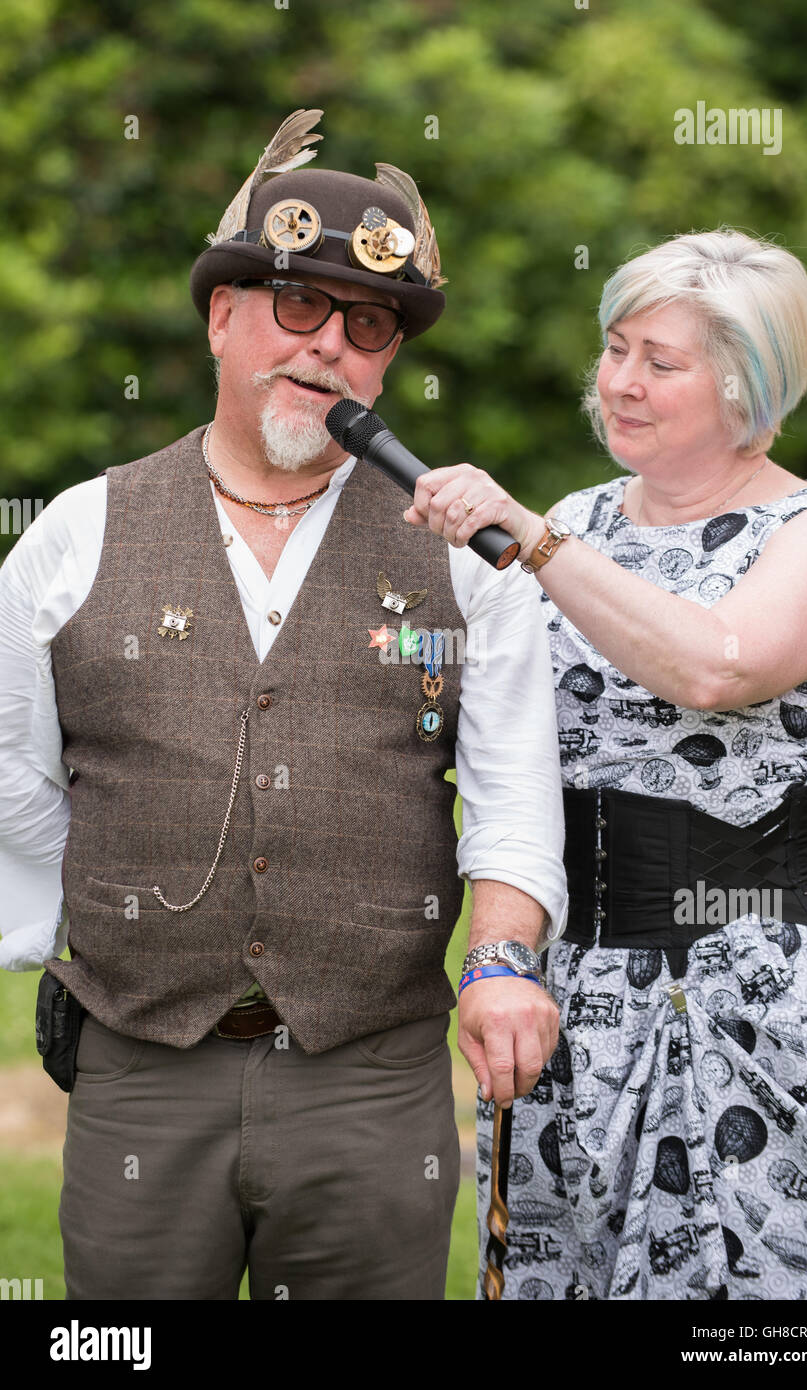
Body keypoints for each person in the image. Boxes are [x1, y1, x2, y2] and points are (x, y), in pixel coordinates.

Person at [0, 110, 566, 1301]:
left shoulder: (466, 558)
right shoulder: (75, 531)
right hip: (142, 1065)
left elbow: (513, 793)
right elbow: (20, 777)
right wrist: (129, 917)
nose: (328, 348)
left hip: (372, 1077)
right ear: (221, 317)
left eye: (366, 327)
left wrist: (505, 960)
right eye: (294, 306)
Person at [405, 229, 807, 1300]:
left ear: (747, 384)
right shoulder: (578, 520)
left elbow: (715, 665)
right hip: (576, 990)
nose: (618, 382)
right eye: (613, 350)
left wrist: (527, 541)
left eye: (659, 362)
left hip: (752, 989)